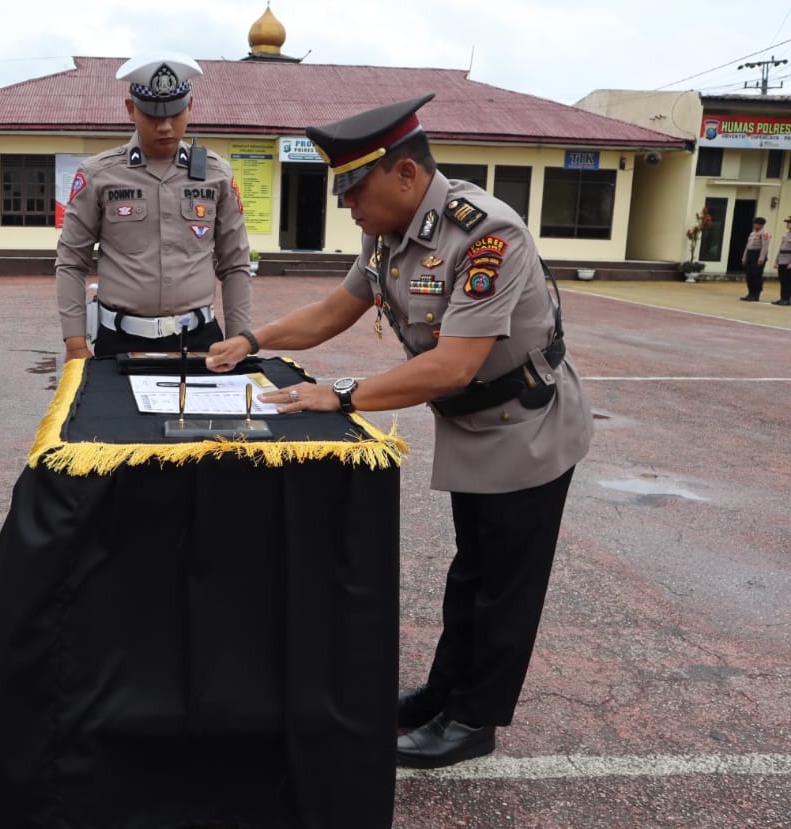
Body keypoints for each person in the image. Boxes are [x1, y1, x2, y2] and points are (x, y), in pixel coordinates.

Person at [206, 94, 593, 769]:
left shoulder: (485, 234)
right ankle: (444, 692)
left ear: (406, 176)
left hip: (527, 423)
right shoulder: (389, 232)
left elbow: (453, 363)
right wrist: (251, 337)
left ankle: (475, 718)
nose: (346, 204)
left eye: (355, 188)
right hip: (475, 422)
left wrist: (342, 394)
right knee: (470, 571)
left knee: (505, 582)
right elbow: (338, 307)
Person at [55, 51, 252, 359]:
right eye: (154, 116)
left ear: (190, 106)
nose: (165, 127)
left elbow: (235, 264)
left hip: (200, 342)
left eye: (175, 114)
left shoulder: (217, 174)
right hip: (120, 342)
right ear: (131, 110)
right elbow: (71, 261)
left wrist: (240, 341)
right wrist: (75, 343)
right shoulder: (98, 174)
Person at [739, 216, 770, 301]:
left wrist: (761, 258)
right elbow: (747, 247)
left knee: (756, 275)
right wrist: (744, 257)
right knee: (749, 275)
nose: (754, 225)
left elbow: (765, 247)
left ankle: (756, 294)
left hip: (758, 254)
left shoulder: (765, 233)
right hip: (750, 254)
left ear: (761, 225)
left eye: (756, 224)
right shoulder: (752, 234)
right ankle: (750, 293)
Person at [773, 215, 791, 306]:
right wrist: (777, 261)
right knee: (783, 281)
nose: (787, 224)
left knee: (788, 281)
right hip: (782, 260)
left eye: (789, 222)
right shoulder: (786, 234)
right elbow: (780, 249)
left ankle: (787, 299)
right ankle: (783, 298)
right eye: (787, 222)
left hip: (789, 261)